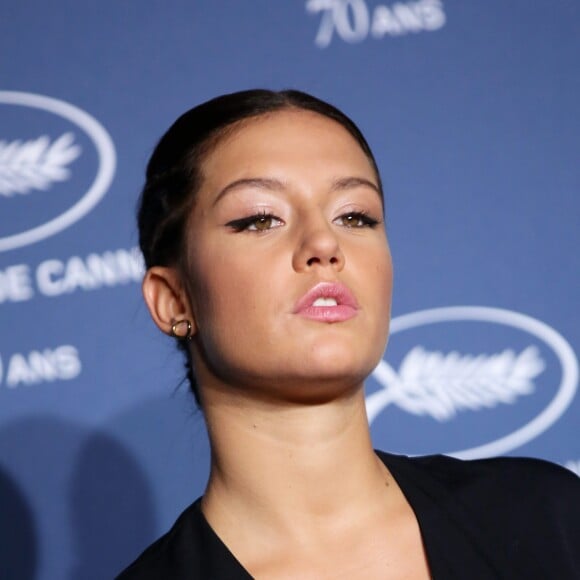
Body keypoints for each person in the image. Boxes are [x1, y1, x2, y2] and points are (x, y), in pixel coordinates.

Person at [118, 89, 580, 579]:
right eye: (260, 219)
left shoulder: (545, 518)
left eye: (354, 216)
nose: (324, 243)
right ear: (175, 300)